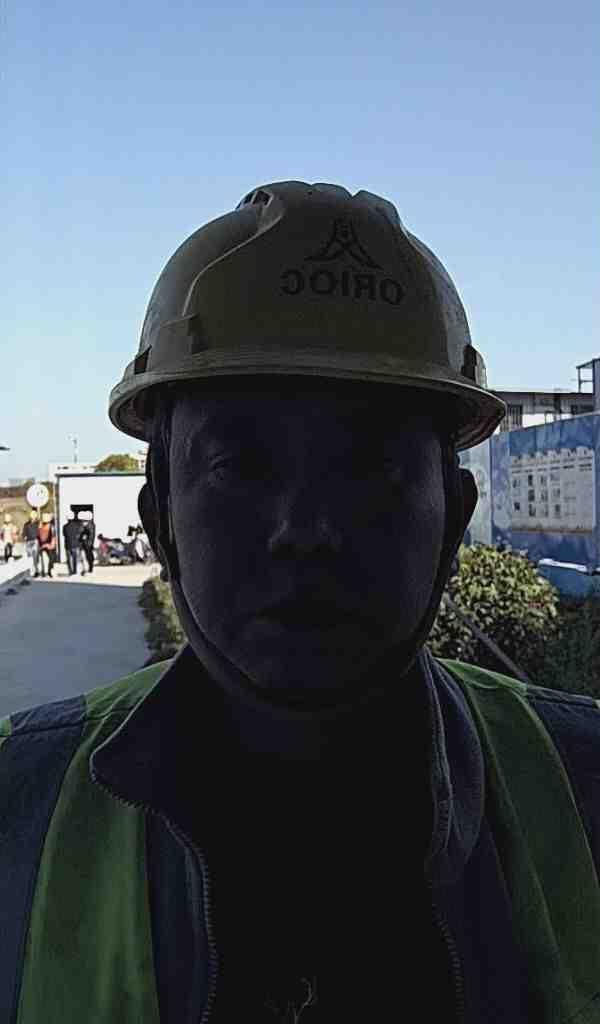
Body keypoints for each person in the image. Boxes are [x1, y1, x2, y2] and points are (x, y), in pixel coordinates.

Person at [1, 182, 599, 1023]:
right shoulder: (17, 804)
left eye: (372, 466)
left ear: (452, 518)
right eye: (239, 465)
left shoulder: (582, 781)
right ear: (160, 518)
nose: (306, 530)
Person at [62, 510, 84, 576]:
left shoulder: (65, 526)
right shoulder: (77, 526)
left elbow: (64, 534)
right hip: (75, 544)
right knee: (75, 559)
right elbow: (80, 534)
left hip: (68, 545)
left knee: (69, 560)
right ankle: (75, 571)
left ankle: (70, 572)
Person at [37, 511, 57, 578]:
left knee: (50, 559)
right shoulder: (41, 526)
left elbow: (53, 536)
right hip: (44, 545)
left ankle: (48, 571)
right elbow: (39, 536)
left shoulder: (51, 526)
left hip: (48, 545)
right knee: (46, 559)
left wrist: (51, 544)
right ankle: (46, 572)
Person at [22, 510, 41, 577]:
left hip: (35, 541)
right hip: (28, 542)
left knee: (35, 557)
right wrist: (24, 536)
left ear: (36, 515)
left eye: (34, 514)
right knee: (29, 558)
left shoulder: (38, 523)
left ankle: (36, 571)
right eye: (31, 514)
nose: (33, 515)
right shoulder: (26, 524)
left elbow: (40, 532)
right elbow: (24, 532)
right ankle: (31, 571)